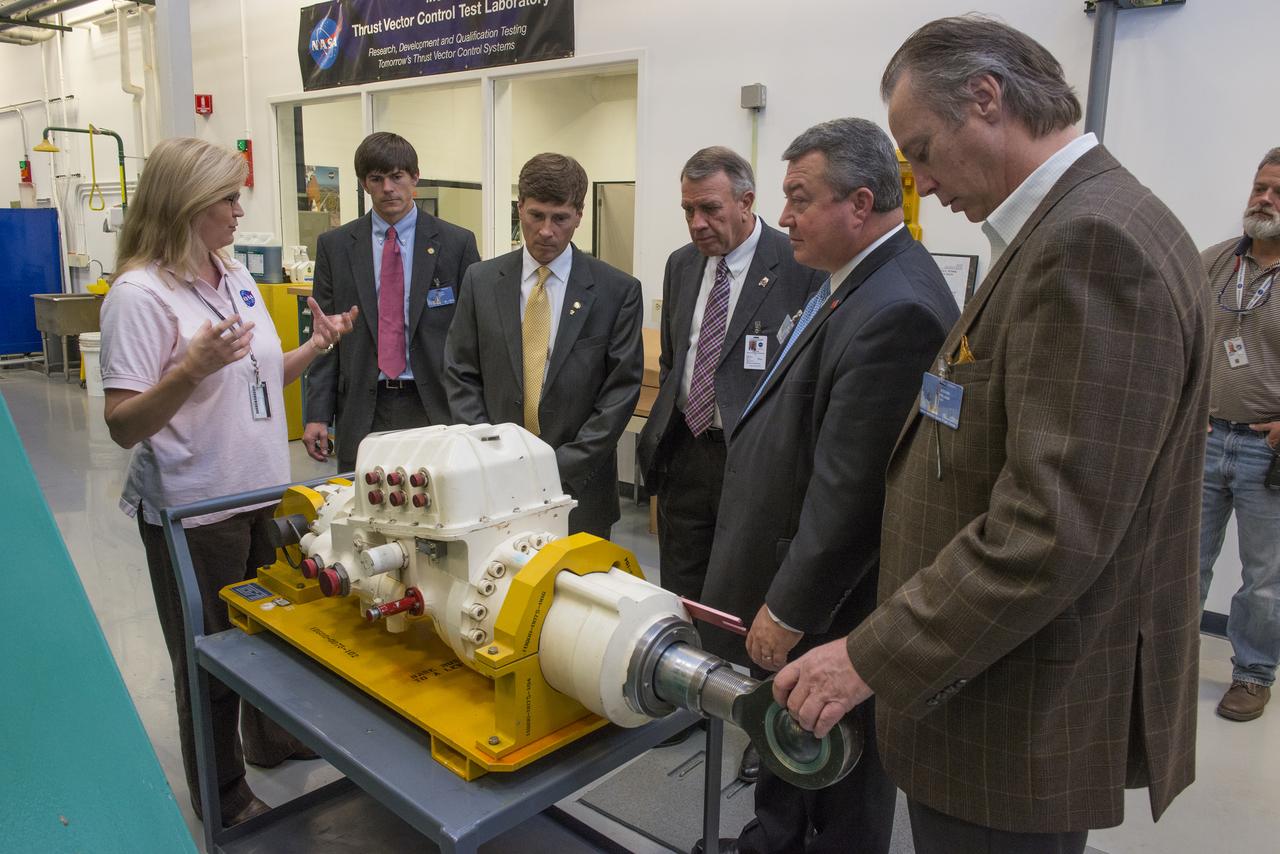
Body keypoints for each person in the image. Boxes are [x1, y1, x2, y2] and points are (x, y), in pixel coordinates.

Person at [775, 16, 1209, 854]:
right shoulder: (1072, 224)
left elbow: (1047, 530)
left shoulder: (1091, 243)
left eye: (923, 151)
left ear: (986, 98)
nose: (922, 184)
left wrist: (867, 656)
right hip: (982, 680)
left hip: (1010, 710)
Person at [695, 119, 958, 854]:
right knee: (792, 742)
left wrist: (787, 609)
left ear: (860, 203)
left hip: (834, 600)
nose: (783, 217)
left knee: (840, 767)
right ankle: (774, 840)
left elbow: (853, 497)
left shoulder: (897, 309)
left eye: (800, 198)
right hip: (801, 575)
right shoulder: (855, 281)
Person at [99, 137, 357, 826]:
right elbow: (122, 423)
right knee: (210, 659)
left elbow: (260, 377)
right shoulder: (140, 295)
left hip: (260, 494)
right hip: (196, 510)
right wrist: (189, 370)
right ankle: (224, 795)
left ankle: (269, 739)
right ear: (186, 205)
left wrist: (316, 346)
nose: (239, 212)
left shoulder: (233, 274)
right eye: (227, 199)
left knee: (270, 635)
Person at [636, 145, 821, 605]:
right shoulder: (681, 264)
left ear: (746, 201)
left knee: (740, 589)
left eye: (710, 209)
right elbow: (675, 359)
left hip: (752, 458)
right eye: (688, 210)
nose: (697, 222)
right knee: (680, 589)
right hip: (685, 451)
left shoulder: (799, 267)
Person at [445, 153, 643, 538]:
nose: (546, 231)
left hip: (579, 489)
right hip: (494, 484)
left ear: (579, 214)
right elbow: (460, 372)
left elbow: (619, 394)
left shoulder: (616, 291)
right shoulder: (481, 281)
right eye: (536, 216)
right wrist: (492, 452)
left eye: (560, 218)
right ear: (520, 207)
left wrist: (557, 465)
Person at [304, 131, 480, 472]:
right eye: (376, 179)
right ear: (364, 184)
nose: (388, 188)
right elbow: (325, 339)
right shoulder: (335, 247)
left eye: (397, 176)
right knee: (362, 501)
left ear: (415, 177)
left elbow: (473, 337)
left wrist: (474, 413)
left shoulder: (456, 244)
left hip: (435, 405)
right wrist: (317, 414)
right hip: (363, 406)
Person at [1199, 146, 1280, 722]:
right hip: (1203, 440)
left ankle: (1253, 675)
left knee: (1265, 579)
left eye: (1278, 193)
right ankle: (1168, 662)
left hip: (1268, 453)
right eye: (1260, 188)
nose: (1265, 200)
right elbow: (1180, 337)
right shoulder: (1215, 262)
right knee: (1182, 561)